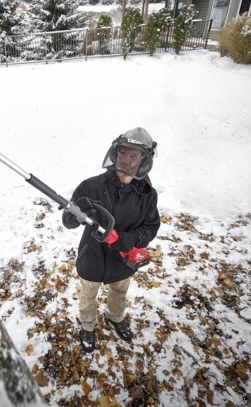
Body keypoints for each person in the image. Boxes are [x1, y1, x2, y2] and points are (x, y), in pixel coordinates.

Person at [62, 127, 160, 353]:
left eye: (134, 155)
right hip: (92, 256)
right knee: (88, 295)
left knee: (119, 292)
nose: (126, 159)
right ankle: (87, 325)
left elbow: (151, 227)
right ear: (115, 153)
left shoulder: (148, 195)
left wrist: (129, 239)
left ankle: (115, 317)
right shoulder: (91, 186)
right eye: (123, 152)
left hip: (123, 260)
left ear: (144, 161)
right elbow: (68, 222)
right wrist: (73, 214)